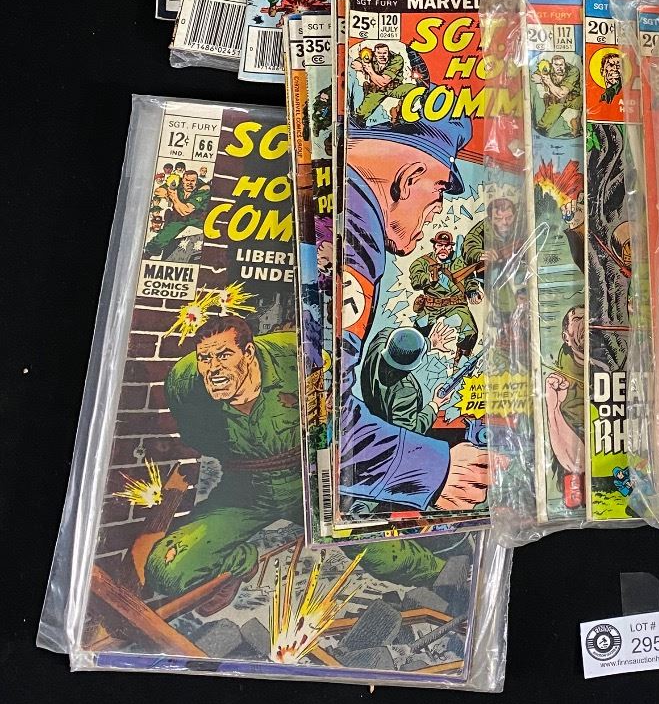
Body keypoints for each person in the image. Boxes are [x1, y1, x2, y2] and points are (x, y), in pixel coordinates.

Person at [147, 314, 440, 596]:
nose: (213, 369)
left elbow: (347, 412)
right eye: (205, 358)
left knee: (385, 555)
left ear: (248, 353)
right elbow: (198, 438)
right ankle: (241, 563)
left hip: (311, 482)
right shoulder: (185, 383)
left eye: (224, 356)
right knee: (166, 570)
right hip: (245, 492)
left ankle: (443, 576)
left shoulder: (299, 356)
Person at [341, 113, 498, 513]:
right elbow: (325, 423)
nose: (436, 211)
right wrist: (435, 470)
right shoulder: (358, 230)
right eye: (438, 192)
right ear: (409, 178)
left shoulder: (349, 206)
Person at [543, 306, 586, 507]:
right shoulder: (560, 382)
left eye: (588, 316)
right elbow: (576, 463)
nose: (585, 322)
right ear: (566, 337)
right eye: (577, 319)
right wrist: (553, 408)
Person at [351, 40, 418, 124]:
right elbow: (355, 63)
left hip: (395, 88)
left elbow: (383, 82)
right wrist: (360, 64)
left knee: (414, 90)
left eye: (385, 53)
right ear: (375, 53)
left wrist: (369, 70)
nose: (382, 56)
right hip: (377, 89)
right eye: (379, 53)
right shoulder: (370, 56)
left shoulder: (396, 59)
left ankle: (401, 115)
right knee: (361, 115)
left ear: (388, 53)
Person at [532, 53, 582, 135]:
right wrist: (541, 78)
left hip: (574, 99)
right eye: (556, 65)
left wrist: (548, 82)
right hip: (557, 101)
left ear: (565, 64)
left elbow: (562, 93)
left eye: (561, 65)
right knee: (542, 127)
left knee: (587, 106)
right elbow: (534, 76)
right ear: (552, 65)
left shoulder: (573, 70)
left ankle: (578, 127)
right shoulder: (548, 67)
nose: (559, 68)